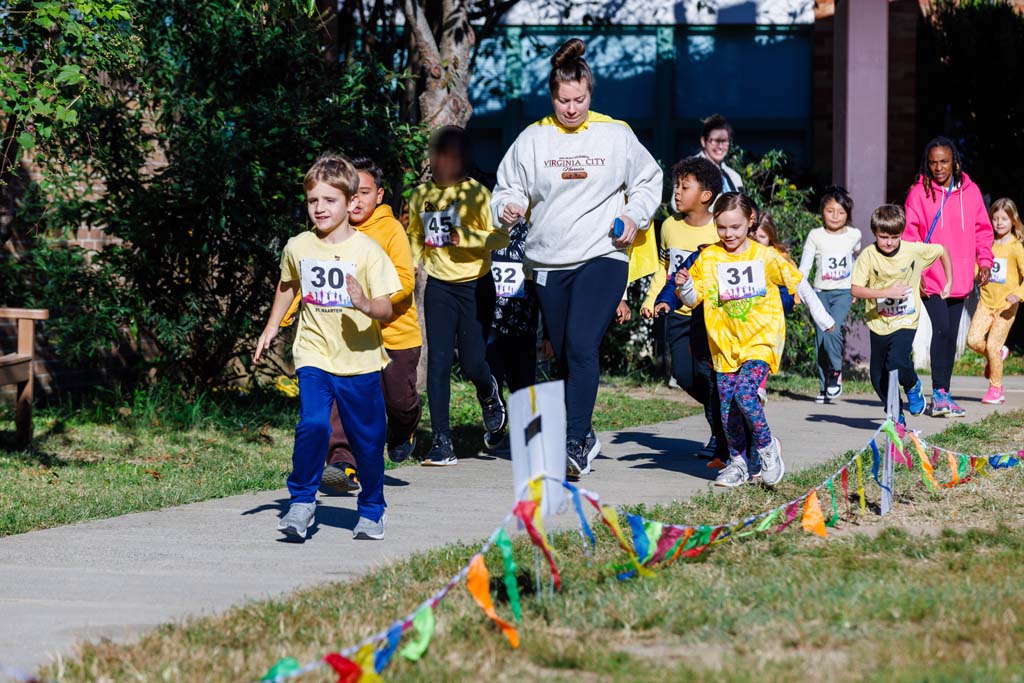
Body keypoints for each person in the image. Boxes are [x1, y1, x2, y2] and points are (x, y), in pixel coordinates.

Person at [491, 37, 663, 479]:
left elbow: (649, 179)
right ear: (552, 98)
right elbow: (507, 189)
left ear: (591, 93)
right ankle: (584, 435)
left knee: (582, 343)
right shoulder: (533, 139)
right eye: (564, 100)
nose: (572, 108)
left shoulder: (616, 134)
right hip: (549, 261)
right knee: (566, 353)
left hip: (604, 253)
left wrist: (633, 215)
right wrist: (508, 208)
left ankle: (574, 440)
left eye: (580, 99)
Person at [254, 154, 401, 541]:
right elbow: (288, 285)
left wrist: (367, 305)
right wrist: (272, 326)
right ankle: (301, 502)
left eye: (329, 200)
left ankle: (372, 508)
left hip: (359, 359)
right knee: (314, 423)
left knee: (368, 442)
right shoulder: (298, 246)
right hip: (314, 353)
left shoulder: (368, 251)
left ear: (351, 202)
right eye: (313, 201)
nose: (319, 208)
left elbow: (386, 306)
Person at [675, 192, 835, 488]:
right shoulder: (709, 257)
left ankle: (766, 448)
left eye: (735, 227)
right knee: (727, 410)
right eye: (722, 227)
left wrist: (821, 316)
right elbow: (694, 297)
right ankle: (738, 464)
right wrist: (684, 287)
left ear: (750, 221)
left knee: (745, 394)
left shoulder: (764, 256)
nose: (728, 234)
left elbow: (797, 280)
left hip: (761, 339)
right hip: (724, 345)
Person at [313, 158, 423, 494]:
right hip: (351, 336)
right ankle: (342, 462)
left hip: (395, 334)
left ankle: (404, 428)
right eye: (351, 194)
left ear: (379, 195)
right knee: (344, 402)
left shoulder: (390, 230)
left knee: (398, 401)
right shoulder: (332, 231)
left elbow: (405, 279)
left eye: (364, 193)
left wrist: (371, 299)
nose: (357, 200)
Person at [408, 126, 510, 466]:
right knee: (437, 362)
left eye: (452, 156)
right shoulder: (420, 195)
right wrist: (409, 266)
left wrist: (461, 236)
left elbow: (500, 240)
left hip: (475, 285)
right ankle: (441, 442)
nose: (444, 162)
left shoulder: (477, 195)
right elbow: (414, 236)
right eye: (439, 155)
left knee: (471, 362)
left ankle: (488, 392)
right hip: (438, 285)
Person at [640, 155, 725, 460]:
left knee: (709, 376)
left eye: (684, 186)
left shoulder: (719, 230)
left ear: (705, 196)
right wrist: (652, 300)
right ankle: (725, 415)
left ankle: (721, 431)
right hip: (676, 315)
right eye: (676, 185)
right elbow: (664, 269)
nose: (676, 192)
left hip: (708, 317)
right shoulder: (669, 228)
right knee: (685, 376)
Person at [903, 136, 993, 418]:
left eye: (943, 161)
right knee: (941, 329)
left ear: (954, 161)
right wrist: (915, 271)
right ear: (926, 164)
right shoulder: (919, 193)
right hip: (930, 276)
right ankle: (938, 393)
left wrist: (985, 261)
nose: (938, 167)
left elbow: (982, 230)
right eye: (932, 163)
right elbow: (910, 235)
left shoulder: (972, 191)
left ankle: (943, 393)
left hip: (962, 275)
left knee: (951, 335)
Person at [852, 204, 951, 422]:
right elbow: (856, 289)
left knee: (896, 360)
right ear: (875, 233)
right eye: (883, 237)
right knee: (878, 377)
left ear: (901, 234)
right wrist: (885, 292)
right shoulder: (868, 256)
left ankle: (912, 385)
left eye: (894, 237)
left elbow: (941, 249)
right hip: (878, 322)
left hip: (906, 319)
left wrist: (949, 281)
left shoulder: (912, 250)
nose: (889, 242)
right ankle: (896, 415)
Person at [484, 218, 552, 448]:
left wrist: (549, 334)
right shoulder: (487, 226)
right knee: (491, 378)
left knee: (522, 381)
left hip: (524, 323)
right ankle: (496, 424)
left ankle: (531, 436)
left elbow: (544, 283)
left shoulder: (534, 231)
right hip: (490, 322)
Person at [798, 186, 862, 403]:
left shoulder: (854, 235)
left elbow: (855, 261)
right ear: (822, 212)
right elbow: (804, 267)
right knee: (820, 339)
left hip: (843, 292)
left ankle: (835, 372)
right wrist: (799, 290)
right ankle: (824, 386)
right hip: (819, 293)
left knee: (832, 328)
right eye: (830, 211)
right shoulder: (815, 235)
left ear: (848, 215)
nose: (835, 216)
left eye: (841, 212)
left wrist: (855, 285)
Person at [967, 198, 1024, 405]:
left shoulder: (1016, 247)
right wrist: (976, 275)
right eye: (995, 218)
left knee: (992, 346)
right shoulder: (987, 244)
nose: (999, 223)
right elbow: (977, 266)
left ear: (1013, 221)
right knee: (972, 340)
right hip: (985, 302)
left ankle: (996, 389)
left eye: (1004, 219)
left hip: (1006, 307)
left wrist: (1018, 294)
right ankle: (999, 354)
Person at [697, 114, 743, 194]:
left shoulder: (734, 177)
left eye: (724, 141)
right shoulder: (691, 170)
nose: (720, 146)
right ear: (703, 141)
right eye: (716, 141)